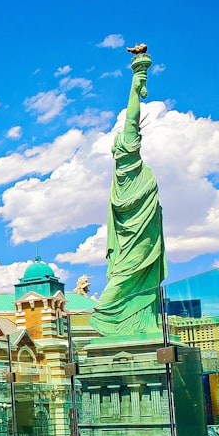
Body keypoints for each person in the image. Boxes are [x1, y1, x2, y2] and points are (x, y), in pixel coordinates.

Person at [90, 48, 167, 337]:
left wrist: (139, 77)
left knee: (138, 275)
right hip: (137, 234)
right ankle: (106, 316)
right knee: (126, 276)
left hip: (142, 229)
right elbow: (131, 119)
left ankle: (140, 324)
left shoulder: (125, 172)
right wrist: (137, 78)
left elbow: (132, 123)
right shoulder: (125, 167)